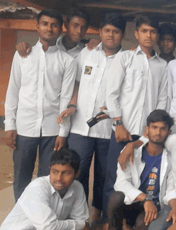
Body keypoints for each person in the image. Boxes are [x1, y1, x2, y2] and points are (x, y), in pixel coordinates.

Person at [58, 12, 126, 226]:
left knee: (105, 176)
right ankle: (79, 216)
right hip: (80, 126)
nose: (111, 36)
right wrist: (71, 104)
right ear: (100, 32)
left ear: (122, 35)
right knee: (77, 173)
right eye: (107, 31)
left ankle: (100, 214)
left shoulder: (127, 59)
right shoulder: (86, 54)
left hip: (109, 129)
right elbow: (76, 83)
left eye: (116, 32)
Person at [4, 9, 77, 201]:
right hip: (24, 127)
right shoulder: (22, 55)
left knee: (47, 177)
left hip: (52, 129)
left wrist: (62, 132)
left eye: (54, 25)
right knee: (21, 175)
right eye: (45, 24)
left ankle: (43, 212)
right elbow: (13, 91)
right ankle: (22, 214)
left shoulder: (67, 61)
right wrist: (9, 125)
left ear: (60, 29)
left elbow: (65, 98)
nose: (49, 28)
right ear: (37, 27)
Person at [103, 14, 169, 220]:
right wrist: (118, 124)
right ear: (136, 33)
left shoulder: (162, 66)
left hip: (146, 136)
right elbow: (111, 93)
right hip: (122, 132)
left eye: (152, 31)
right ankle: (110, 221)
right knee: (114, 180)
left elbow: (162, 102)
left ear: (157, 35)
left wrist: (146, 137)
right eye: (144, 31)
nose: (148, 35)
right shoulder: (125, 58)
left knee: (142, 178)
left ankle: (134, 221)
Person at [106, 110, 173, 230]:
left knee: (143, 223)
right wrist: (144, 198)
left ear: (169, 132)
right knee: (115, 198)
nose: (158, 132)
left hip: (154, 205)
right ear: (147, 130)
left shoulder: (171, 157)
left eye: (162, 129)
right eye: (154, 127)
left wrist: (150, 202)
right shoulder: (131, 152)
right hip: (133, 201)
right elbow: (120, 183)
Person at [0, 149, 89, 230]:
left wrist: (79, 224)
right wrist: (77, 225)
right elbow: (48, 227)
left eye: (66, 173)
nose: (59, 178)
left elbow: (82, 221)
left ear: (77, 174)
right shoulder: (37, 187)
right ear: (49, 170)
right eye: (55, 172)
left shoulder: (77, 187)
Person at [15, 8, 93, 58]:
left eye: (83, 28)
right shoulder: (51, 44)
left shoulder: (87, 51)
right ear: (66, 25)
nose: (79, 31)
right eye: (75, 25)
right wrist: (23, 46)